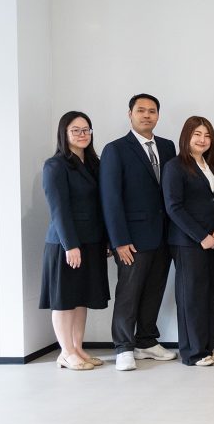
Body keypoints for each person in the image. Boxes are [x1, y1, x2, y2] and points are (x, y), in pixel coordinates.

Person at [100, 94, 177, 371]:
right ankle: (123, 347)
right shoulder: (116, 149)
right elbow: (111, 199)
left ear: (158, 115)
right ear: (130, 114)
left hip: (164, 236)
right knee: (129, 292)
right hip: (131, 239)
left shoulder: (168, 147)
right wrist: (119, 240)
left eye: (152, 111)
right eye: (141, 110)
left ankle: (146, 341)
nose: (147, 115)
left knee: (154, 289)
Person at [40, 111, 111, 370]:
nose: (82, 135)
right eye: (76, 130)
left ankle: (78, 349)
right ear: (64, 133)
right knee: (65, 300)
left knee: (82, 299)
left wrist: (105, 240)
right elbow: (59, 209)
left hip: (92, 242)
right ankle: (66, 352)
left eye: (86, 130)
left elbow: (101, 205)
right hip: (65, 244)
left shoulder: (95, 164)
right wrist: (70, 245)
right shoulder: (55, 165)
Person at [163, 116, 214, 367]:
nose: (202, 140)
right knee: (192, 296)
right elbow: (173, 207)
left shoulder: (209, 166)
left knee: (210, 293)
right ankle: (192, 352)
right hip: (188, 242)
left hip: (211, 240)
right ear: (186, 137)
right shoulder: (175, 166)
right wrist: (201, 237)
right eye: (197, 134)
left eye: (207, 135)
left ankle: (206, 346)